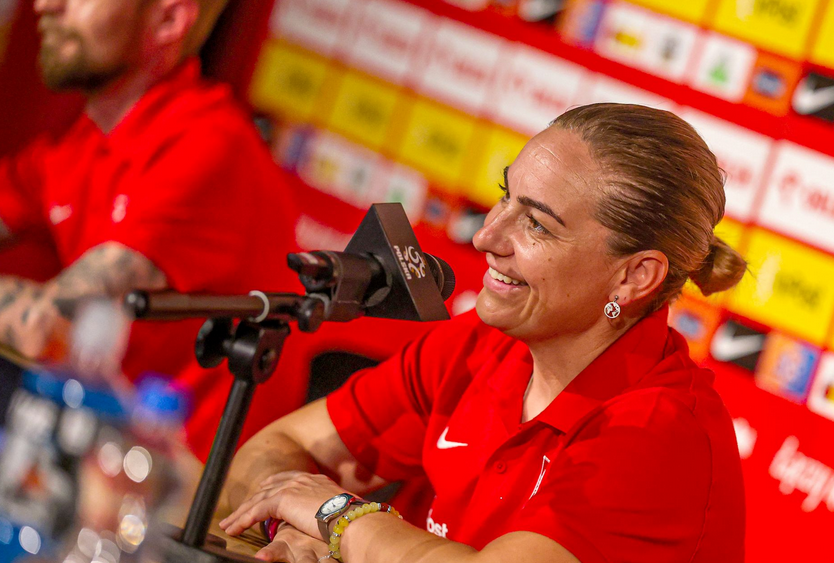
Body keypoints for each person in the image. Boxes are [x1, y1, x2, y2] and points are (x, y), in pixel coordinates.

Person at [218, 103, 748, 563]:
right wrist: (292, 527)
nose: (486, 236)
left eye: (537, 224)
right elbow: (278, 446)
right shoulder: (480, 343)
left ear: (634, 277)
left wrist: (334, 516)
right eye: (505, 195)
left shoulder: (660, 435)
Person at [0, 0, 304, 459]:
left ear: (168, 20)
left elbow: (48, 325)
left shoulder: (207, 148)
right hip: (100, 449)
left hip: (180, 485)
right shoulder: (81, 141)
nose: (46, 5)